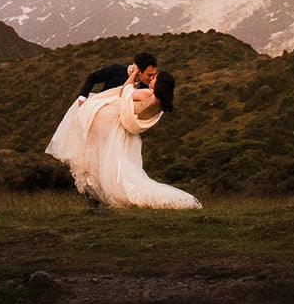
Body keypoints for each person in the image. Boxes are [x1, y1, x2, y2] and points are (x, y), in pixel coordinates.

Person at [46, 63, 200, 209]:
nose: (151, 80)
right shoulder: (159, 103)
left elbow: (124, 92)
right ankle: (95, 194)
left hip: (112, 123)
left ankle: (96, 194)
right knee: (112, 163)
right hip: (122, 129)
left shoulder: (148, 93)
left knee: (96, 151)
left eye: (154, 78)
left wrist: (133, 75)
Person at [75, 52, 156, 101]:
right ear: (139, 71)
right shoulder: (116, 70)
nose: (151, 78)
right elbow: (93, 77)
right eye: (149, 75)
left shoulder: (144, 87)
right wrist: (83, 96)